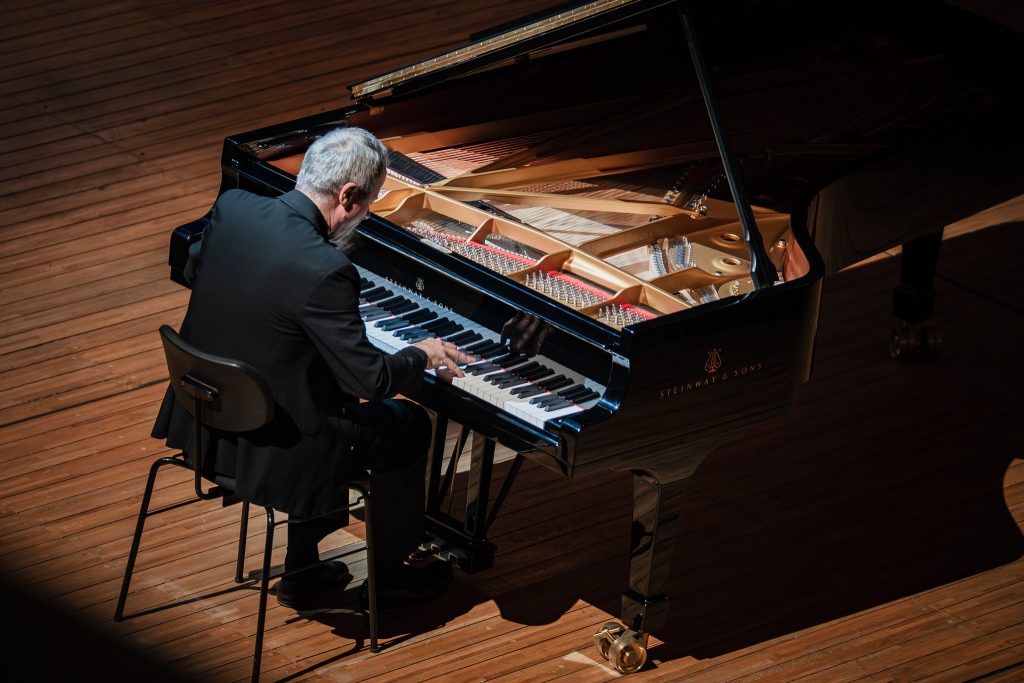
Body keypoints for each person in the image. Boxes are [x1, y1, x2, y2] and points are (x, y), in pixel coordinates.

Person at [152, 126, 471, 611]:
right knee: (407, 425)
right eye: (368, 206)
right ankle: (390, 579)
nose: (365, 217)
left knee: (317, 390)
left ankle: (303, 570)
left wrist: (287, 328)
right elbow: (370, 381)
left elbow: (198, 271)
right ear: (348, 196)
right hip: (279, 446)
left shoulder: (235, 209)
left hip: (205, 412)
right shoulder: (325, 269)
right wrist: (420, 354)